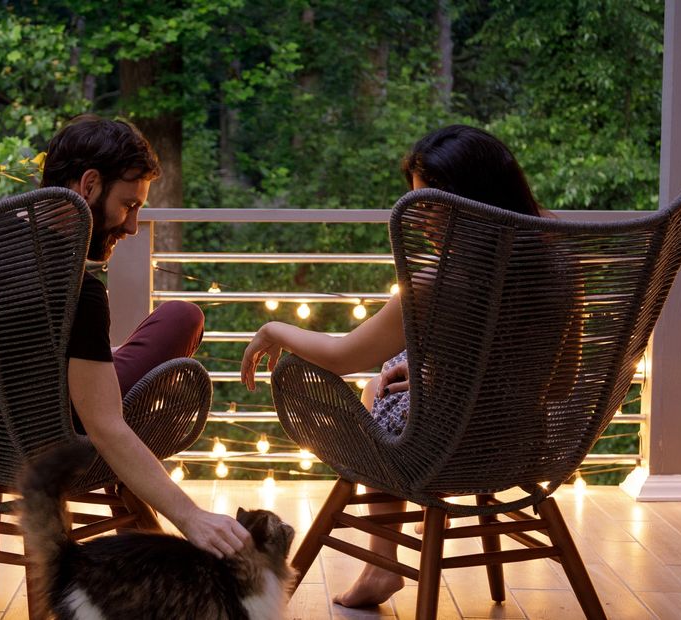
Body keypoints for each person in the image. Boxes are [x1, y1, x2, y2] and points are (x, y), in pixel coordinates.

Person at [240, 124, 546, 607]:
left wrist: (275, 330)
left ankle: (381, 566)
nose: (421, 217)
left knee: (373, 392)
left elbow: (343, 355)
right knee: (396, 371)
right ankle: (380, 566)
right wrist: (436, 378)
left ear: (471, 199)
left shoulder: (437, 283)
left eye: (430, 203)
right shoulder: (559, 266)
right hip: (526, 444)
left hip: (445, 450)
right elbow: (562, 379)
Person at [42, 114, 251, 558]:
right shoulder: (78, 292)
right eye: (129, 205)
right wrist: (191, 516)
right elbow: (106, 427)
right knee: (183, 316)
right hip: (62, 434)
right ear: (89, 185)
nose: (133, 226)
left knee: (171, 318)